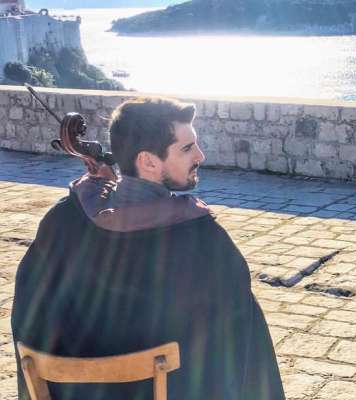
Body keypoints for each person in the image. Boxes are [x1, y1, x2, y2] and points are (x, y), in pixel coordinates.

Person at [12, 97, 285, 399]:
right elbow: (237, 347)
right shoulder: (205, 239)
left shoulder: (61, 219)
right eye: (186, 148)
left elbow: (28, 315)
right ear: (149, 161)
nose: (200, 155)